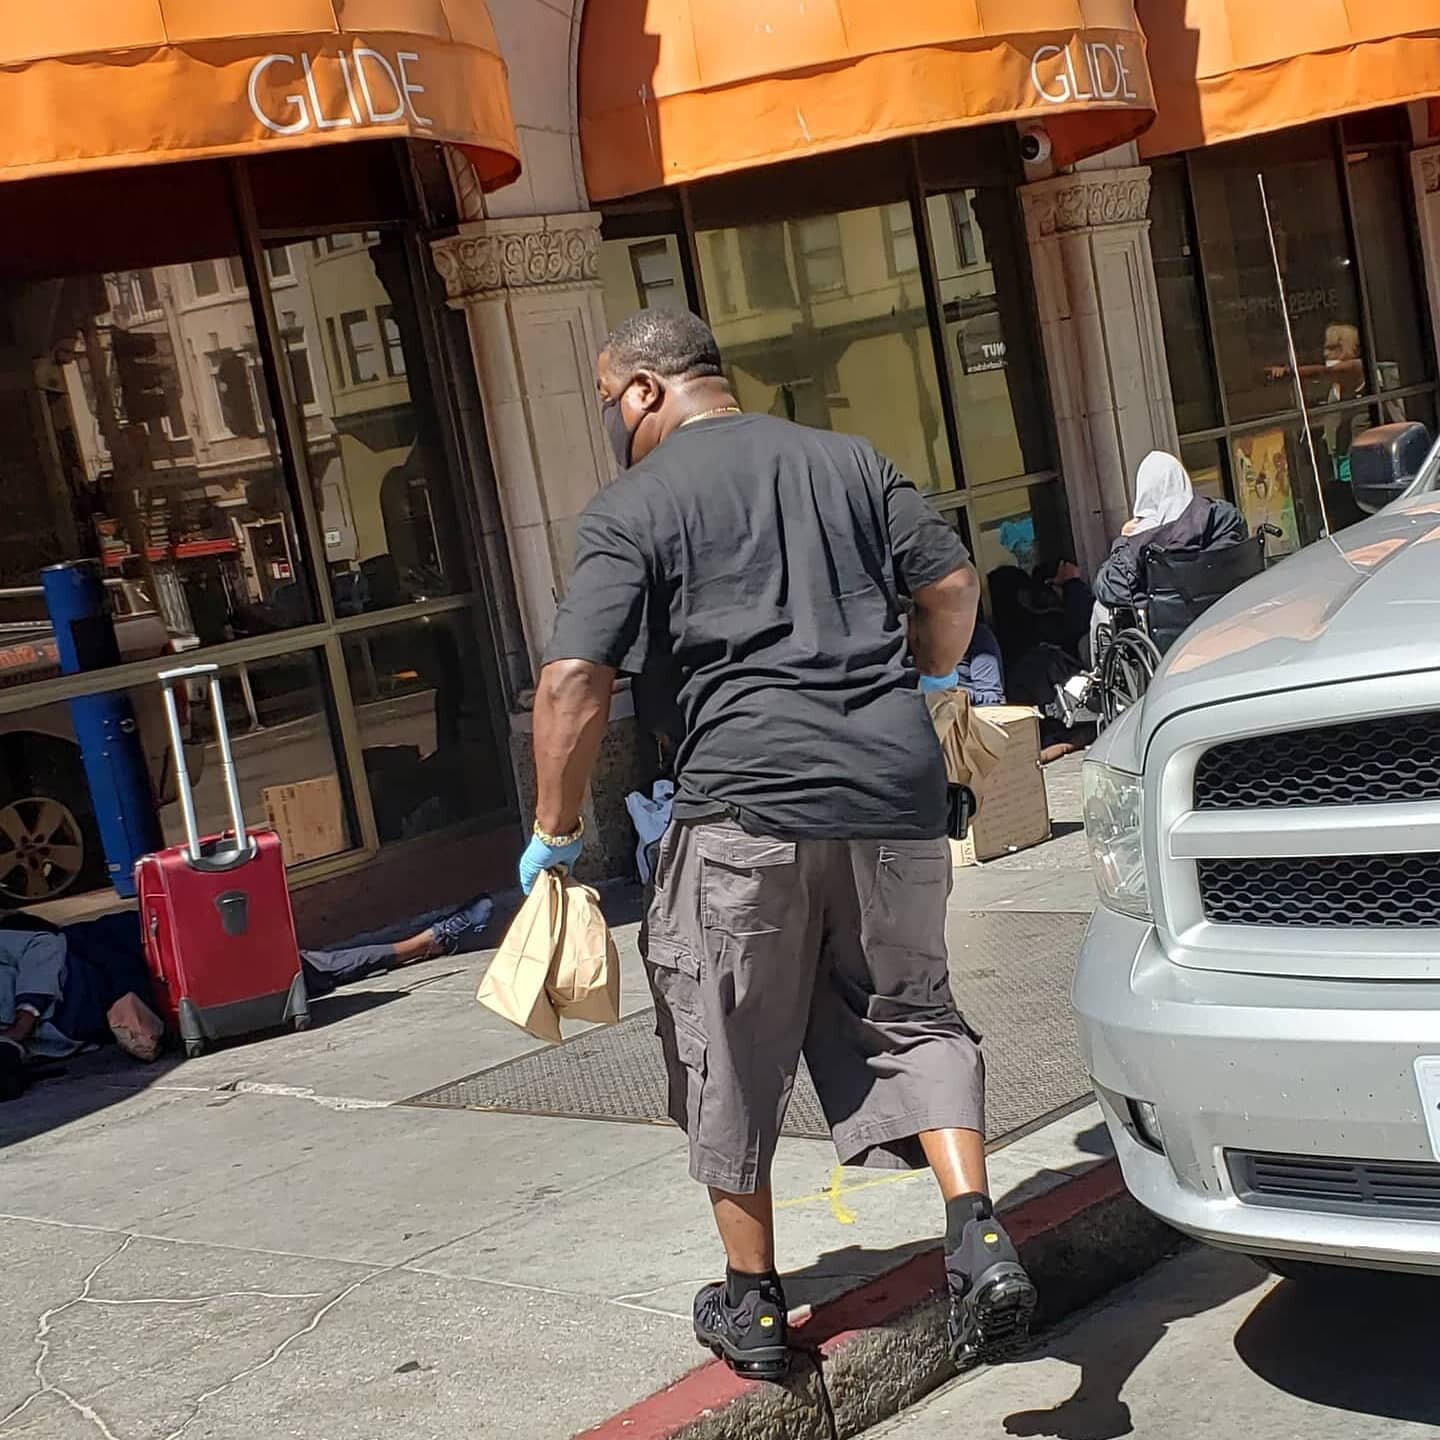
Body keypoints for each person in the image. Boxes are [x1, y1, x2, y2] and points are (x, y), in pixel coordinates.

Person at [522, 309, 1036, 1381]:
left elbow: (574, 680)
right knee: (914, 1016)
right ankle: (977, 1228)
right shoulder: (850, 462)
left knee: (725, 1048)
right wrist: (937, 681)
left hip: (743, 813)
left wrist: (553, 834)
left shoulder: (633, 507)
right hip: (894, 799)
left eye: (614, 402)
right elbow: (948, 587)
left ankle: (753, 1304)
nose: (615, 425)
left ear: (649, 391)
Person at [0, 897, 494, 1096]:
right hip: (120, 1015)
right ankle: (416, 946)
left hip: (113, 959)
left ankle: (419, 944)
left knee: (279, 969)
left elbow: (46, 947)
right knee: (272, 980)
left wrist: (21, 1026)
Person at [1093, 450, 1247, 614]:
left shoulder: (1137, 542)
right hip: (1229, 614)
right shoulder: (1224, 517)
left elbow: (1108, 589)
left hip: (1173, 628)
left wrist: (1122, 541)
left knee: (1100, 611)